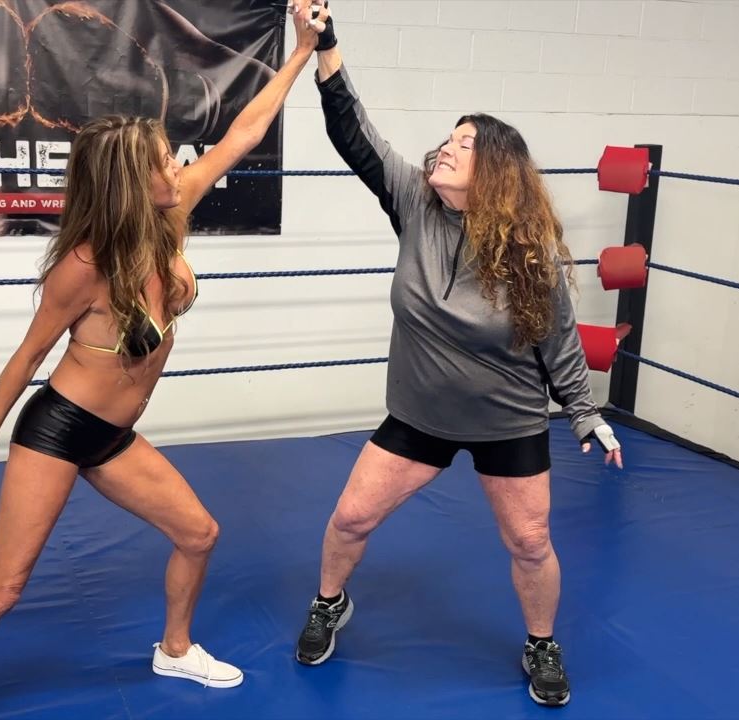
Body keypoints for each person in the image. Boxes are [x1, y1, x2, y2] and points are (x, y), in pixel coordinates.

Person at [0, 4, 327, 718]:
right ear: (132, 181)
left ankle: (175, 650)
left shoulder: (173, 212)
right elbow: (27, 356)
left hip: (113, 436)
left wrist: (300, 52)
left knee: (199, 534)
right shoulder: (84, 266)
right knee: (1, 591)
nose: (177, 164)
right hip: (60, 429)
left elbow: (244, 132)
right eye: (163, 159)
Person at [291, 4, 622, 708]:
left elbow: (559, 337)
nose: (444, 147)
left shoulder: (529, 250)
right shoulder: (414, 201)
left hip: (507, 421)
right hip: (420, 416)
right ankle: (329, 601)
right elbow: (353, 131)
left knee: (530, 542)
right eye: (448, 137)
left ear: (494, 171)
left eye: (463, 144)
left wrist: (584, 413)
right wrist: (326, 45)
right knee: (350, 519)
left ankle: (541, 643)